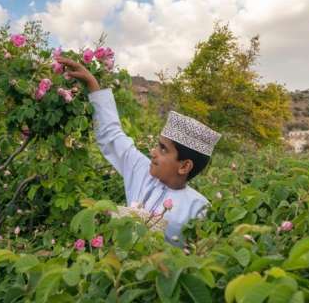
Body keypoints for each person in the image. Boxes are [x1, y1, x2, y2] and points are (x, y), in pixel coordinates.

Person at [56, 56, 221, 245]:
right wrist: (93, 84)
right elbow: (113, 136)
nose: (153, 152)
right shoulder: (142, 171)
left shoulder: (199, 208)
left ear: (184, 166)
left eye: (163, 149)